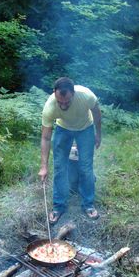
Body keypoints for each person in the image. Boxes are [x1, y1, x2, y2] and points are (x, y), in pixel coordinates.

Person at [38, 77, 102, 223]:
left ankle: (88, 204)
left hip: (85, 128)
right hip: (63, 128)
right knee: (60, 167)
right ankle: (58, 206)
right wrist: (43, 166)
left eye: (67, 102)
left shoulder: (86, 96)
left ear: (73, 93)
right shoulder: (50, 106)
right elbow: (45, 138)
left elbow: (97, 114)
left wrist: (98, 134)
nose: (63, 105)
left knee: (85, 167)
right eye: (60, 102)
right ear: (54, 93)